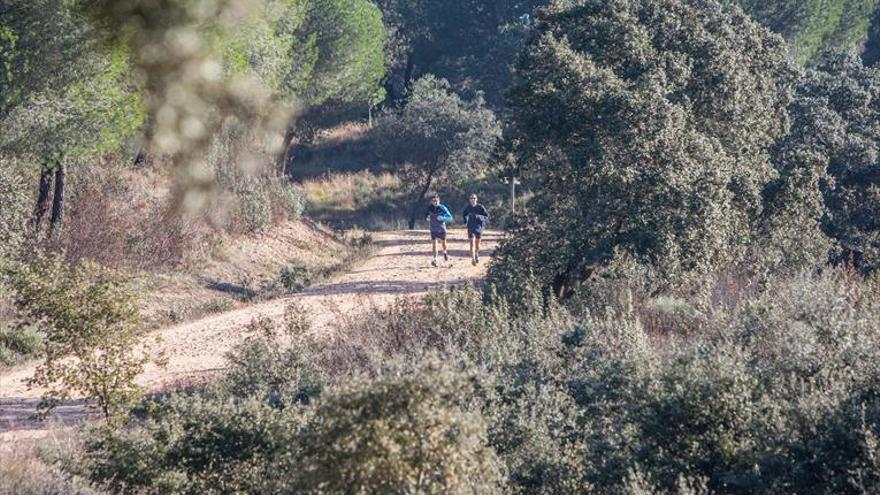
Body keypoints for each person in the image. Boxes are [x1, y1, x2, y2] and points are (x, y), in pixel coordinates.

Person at [425, 193, 453, 267]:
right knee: (434, 244)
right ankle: (435, 259)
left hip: (441, 228)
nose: (435, 202)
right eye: (434, 201)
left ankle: (445, 252)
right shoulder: (429, 208)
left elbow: (450, 218)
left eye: (436, 200)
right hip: (433, 228)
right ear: (431, 201)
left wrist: (443, 218)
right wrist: (427, 218)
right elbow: (426, 216)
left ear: (439, 200)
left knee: (443, 243)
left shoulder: (443, 208)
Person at [462, 193, 489, 265]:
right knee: (472, 244)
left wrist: (478, 216)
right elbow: (464, 216)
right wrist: (465, 221)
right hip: (470, 227)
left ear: (476, 199)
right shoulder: (467, 208)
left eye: (474, 198)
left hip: (479, 227)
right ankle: (473, 259)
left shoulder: (480, 207)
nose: (473, 199)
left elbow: (486, 217)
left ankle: (476, 253)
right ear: (469, 200)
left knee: (477, 245)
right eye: (471, 198)